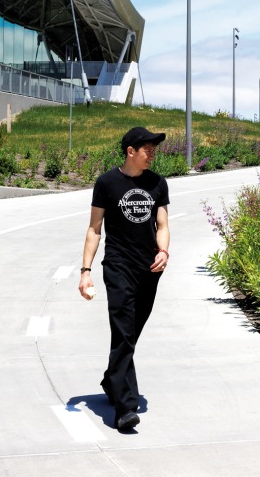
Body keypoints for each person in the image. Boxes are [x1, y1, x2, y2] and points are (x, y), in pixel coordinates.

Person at [79, 126, 171, 432]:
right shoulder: (106, 182)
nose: (152, 153)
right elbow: (94, 229)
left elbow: (162, 223)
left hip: (149, 269)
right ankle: (125, 407)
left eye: (154, 149)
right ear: (130, 151)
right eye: (147, 149)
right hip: (118, 266)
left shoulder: (158, 183)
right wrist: (85, 271)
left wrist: (164, 250)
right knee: (123, 332)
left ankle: (111, 379)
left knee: (131, 333)